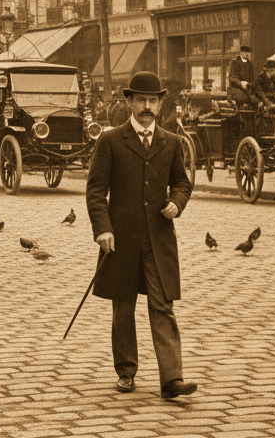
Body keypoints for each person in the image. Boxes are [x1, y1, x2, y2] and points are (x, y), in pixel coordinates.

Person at [85, 71, 196, 400]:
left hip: (158, 238)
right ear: (129, 102)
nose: (147, 107)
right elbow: (95, 191)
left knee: (163, 304)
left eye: (153, 101)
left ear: (161, 104)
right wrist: (103, 229)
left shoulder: (171, 142)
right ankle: (126, 370)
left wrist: (177, 202)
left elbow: (182, 182)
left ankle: (172, 379)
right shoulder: (110, 141)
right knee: (123, 306)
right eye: (141, 100)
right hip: (120, 237)